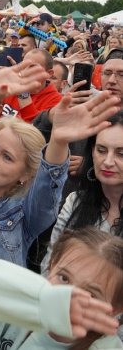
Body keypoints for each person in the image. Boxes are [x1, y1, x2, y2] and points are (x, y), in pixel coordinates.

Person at [0, 59, 121, 267]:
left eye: (8, 157)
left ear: (26, 174)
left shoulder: (26, 214)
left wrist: (59, 140)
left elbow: (48, 181)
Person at [0, 227, 123, 349]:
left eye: (90, 294)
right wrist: (43, 305)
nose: (68, 295)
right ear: (51, 266)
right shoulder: (19, 307)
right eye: (64, 278)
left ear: (115, 309)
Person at [42, 110, 123, 274]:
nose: (107, 162)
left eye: (121, 154)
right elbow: (49, 265)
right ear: (91, 151)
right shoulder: (75, 201)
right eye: (101, 150)